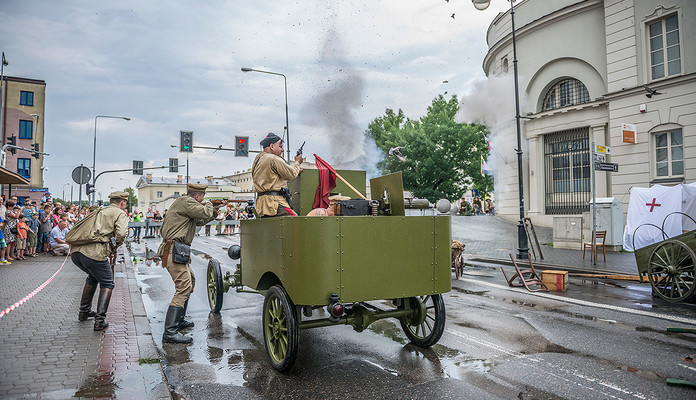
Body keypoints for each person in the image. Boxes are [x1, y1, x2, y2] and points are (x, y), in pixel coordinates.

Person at [157, 183, 222, 343]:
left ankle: (179, 321)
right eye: (203, 197)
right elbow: (203, 211)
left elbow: (201, 220)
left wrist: (214, 209)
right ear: (198, 196)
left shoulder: (186, 205)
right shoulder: (186, 202)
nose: (204, 199)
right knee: (183, 287)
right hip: (174, 250)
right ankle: (170, 332)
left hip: (178, 250)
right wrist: (210, 205)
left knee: (190, 282)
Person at [69, 191, 129, 331]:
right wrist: (115, 246)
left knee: (93, 277)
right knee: (107, 282)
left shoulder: (99, 211)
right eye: (125, 204)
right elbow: (121, 234)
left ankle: (84, 312)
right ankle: (100, 320)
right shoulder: (119, 213)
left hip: (76, 253)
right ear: (122, 202)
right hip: (94, 253)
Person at [251, 132, 303, 218]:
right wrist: (297, 162)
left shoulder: (259, 158)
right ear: (272, 146)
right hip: (274, 202)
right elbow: (292, 174)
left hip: (263, 204)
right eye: (280, 146)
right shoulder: (272, 158)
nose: (282, 150)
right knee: (295, 221)